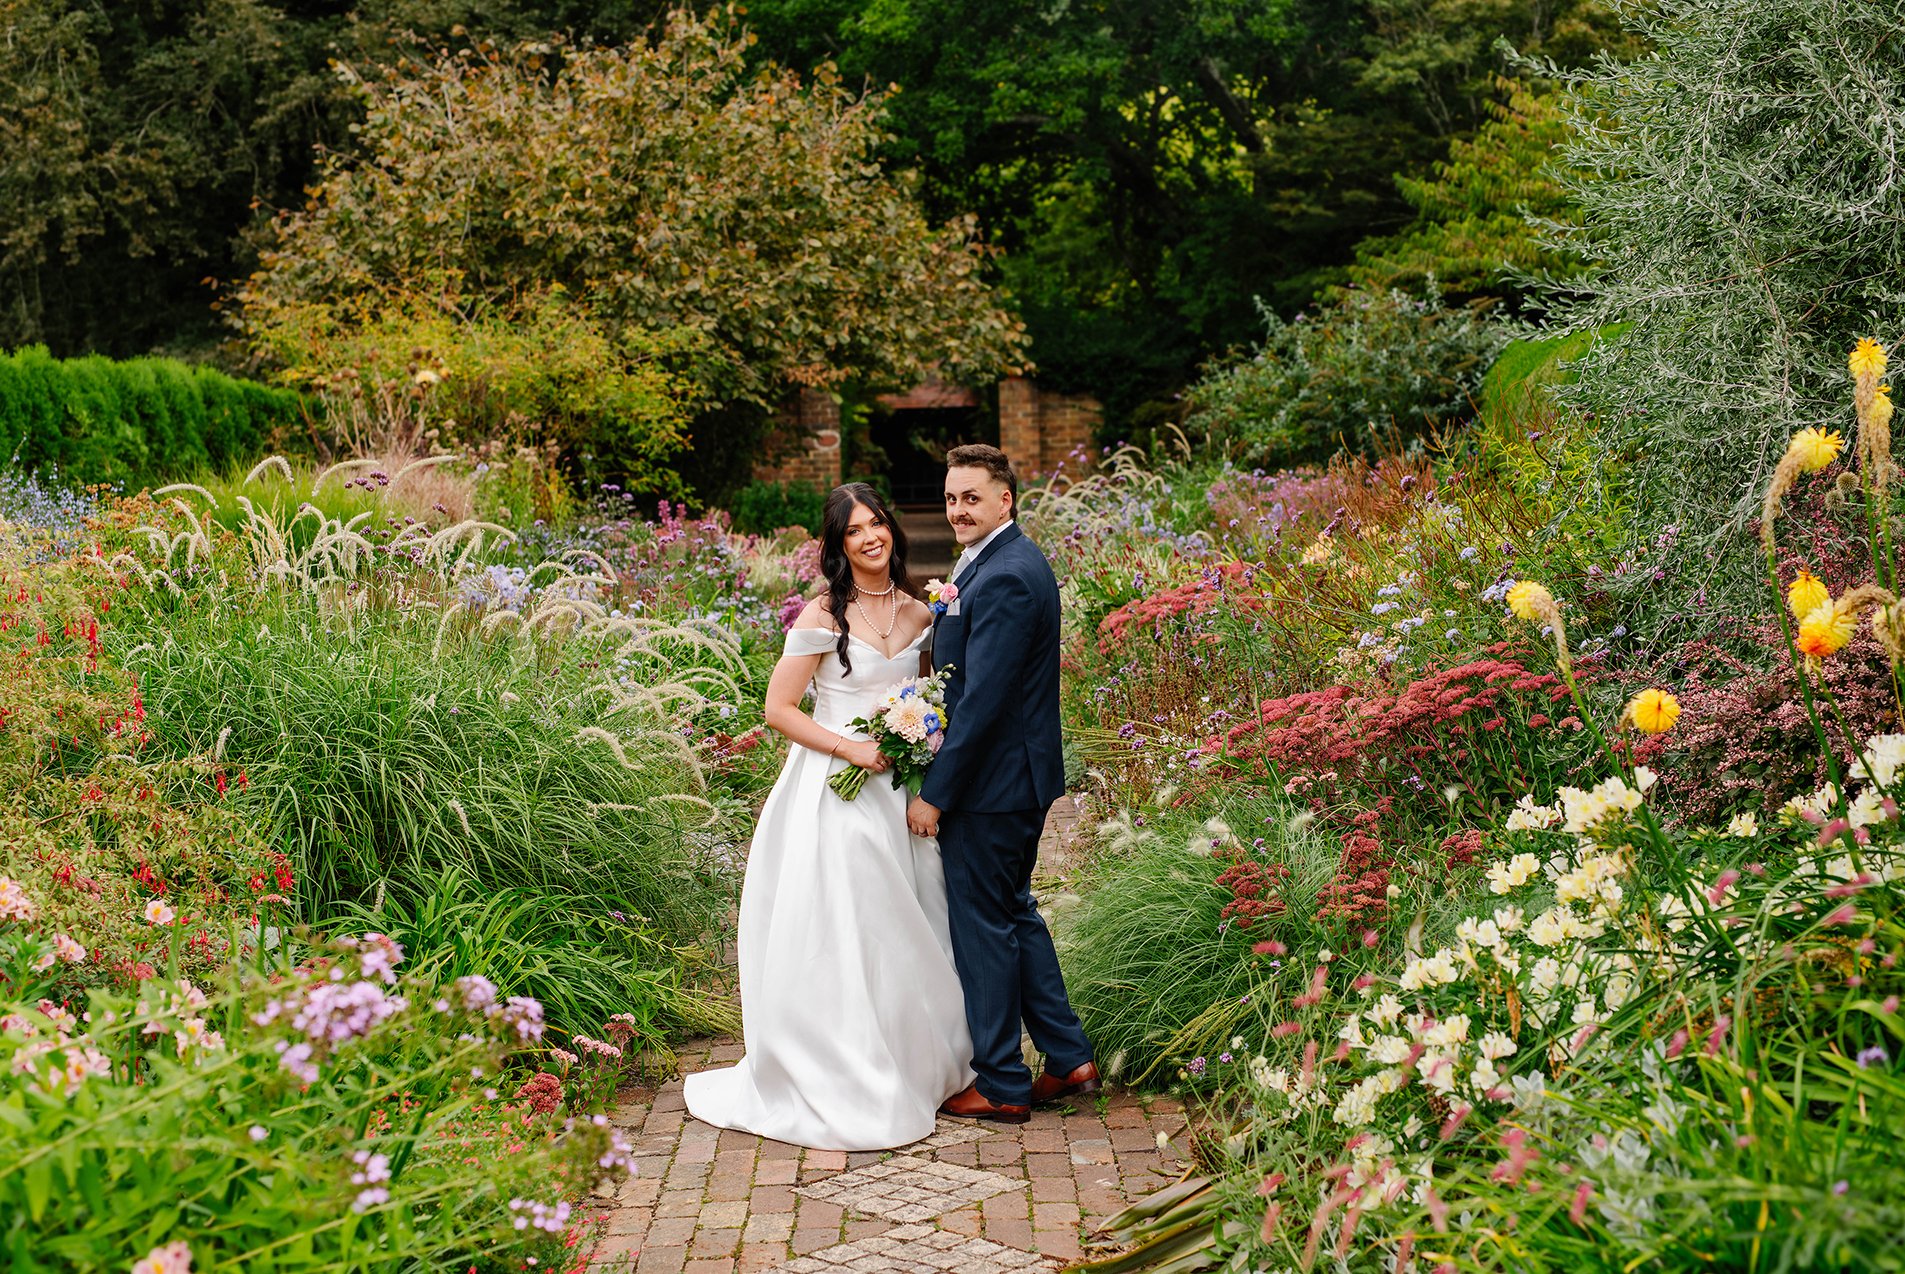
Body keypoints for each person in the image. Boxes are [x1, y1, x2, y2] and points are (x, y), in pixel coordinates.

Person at [683, 483, 973, 1150]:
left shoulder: (921, 610)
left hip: (899, 785)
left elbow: (930, 691)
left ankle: (916, 1059)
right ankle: (844, 1063)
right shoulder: (821, 615)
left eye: (878, 524)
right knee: (845, 920)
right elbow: (779, 709)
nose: (871, 537)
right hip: (831, 784)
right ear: (838, 546)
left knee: (913, 916)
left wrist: (917, 742)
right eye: (855, 531)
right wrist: (852, 748)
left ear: (891, 531)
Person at [907, 444, 1098, 1125]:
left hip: (993, 784)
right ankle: (1068, 1054)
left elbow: (983, 701)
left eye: (971, 498)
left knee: (983, 927)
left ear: (1004, 500)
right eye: (951, 497)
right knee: (1013, 914)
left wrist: (936, 792)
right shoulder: (992, 562)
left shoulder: (1009, 573)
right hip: (1010, 778)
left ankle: (1001, 1083)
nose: (958, 509)